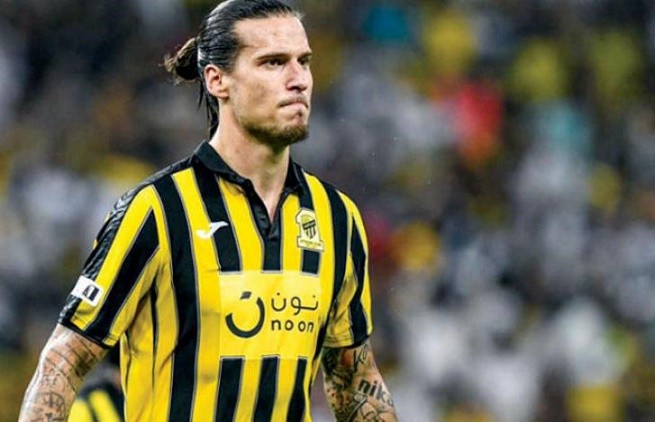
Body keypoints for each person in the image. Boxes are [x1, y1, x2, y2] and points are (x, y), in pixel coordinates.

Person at [18, 1, 397, 420]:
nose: (298, 80)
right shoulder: (158, 210)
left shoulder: (337, 218)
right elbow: (64, 360)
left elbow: (354, 378)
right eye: (273, 62)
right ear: (218, 80)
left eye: (303, 61)